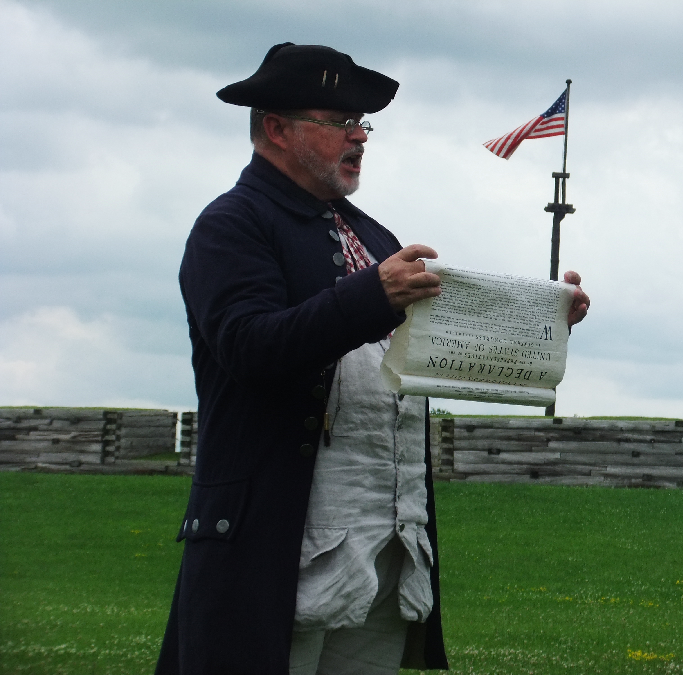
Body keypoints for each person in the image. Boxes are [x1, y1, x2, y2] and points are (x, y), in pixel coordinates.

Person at [156, 43, 590, 675]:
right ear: (276, 129)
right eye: (340, 122)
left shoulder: (375, 237)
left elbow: (429, 357)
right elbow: (249, 348)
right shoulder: (233, 224)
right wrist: (370, 297)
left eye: (363, 124)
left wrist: (540, 327)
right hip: (281, 545)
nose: (360, 137)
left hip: (386, 542)